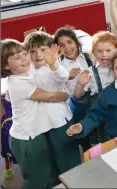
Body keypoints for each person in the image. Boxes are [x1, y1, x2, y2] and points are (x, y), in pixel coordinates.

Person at [1, 39, 71, 189]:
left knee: (46, 175)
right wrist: (66, 94)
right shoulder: (19, 83)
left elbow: (57, 76)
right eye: (17, 57)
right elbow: (50, 96)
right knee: (37, 181)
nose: (25, 58)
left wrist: (53, 64)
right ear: (6, 65)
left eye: (24, 53)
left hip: (35, 134)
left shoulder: (26, 74)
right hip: (27, 138)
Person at [23, 32, 81, 176]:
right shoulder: (29, 70)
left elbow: (62, 76)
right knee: (50, 160)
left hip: (59, 122)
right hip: (40, 124)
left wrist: (54, 63)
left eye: (43, 50)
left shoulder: (55, 68)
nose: (38, 55)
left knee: (68, 159)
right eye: (33, 51)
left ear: (52, 50)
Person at [66, 49, 117, 142]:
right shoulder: (107, 94)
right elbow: (94, 115)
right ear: (113, 70)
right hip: (116, 141)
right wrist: (81, 126)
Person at [73, 31, 117, 123]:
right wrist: (81, 85)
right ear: (93, 53)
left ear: (116, 50)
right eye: (99, 51)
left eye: (108, 50)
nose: (104, 54)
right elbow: (78, 96)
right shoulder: (90, 72)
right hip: (101, 116)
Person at [54, 26, 93, 99]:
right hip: (79, 103)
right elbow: (70, 96)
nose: (67, 48)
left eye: (69, 42)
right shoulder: (60, 68)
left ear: (76, 42)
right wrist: (68, 78)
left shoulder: (89, 57)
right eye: (62, 45)